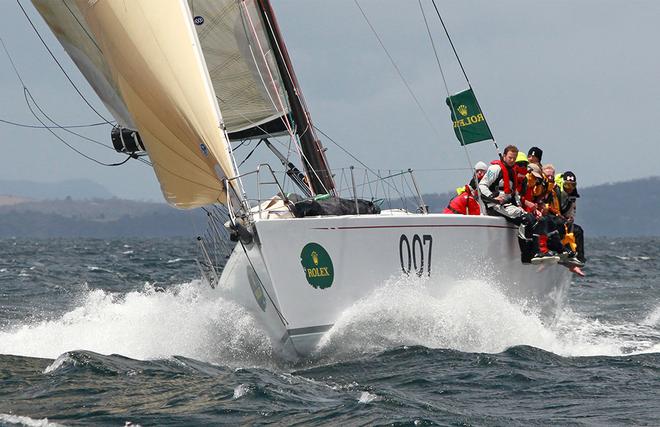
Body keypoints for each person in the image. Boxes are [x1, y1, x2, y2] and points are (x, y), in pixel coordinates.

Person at [479, 145, 537, 263]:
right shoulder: (495, 169)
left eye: (514, 158)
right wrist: (493, 197)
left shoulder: (512, 171)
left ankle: (533, 252)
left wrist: (519, 204)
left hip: (508, 205)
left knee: (531, 218)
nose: (512, 160)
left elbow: (514, 191)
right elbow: (482, 185)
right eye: (510, 157)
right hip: (495, 205)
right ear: (504, 156)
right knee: (525, 219)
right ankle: (526, 256)